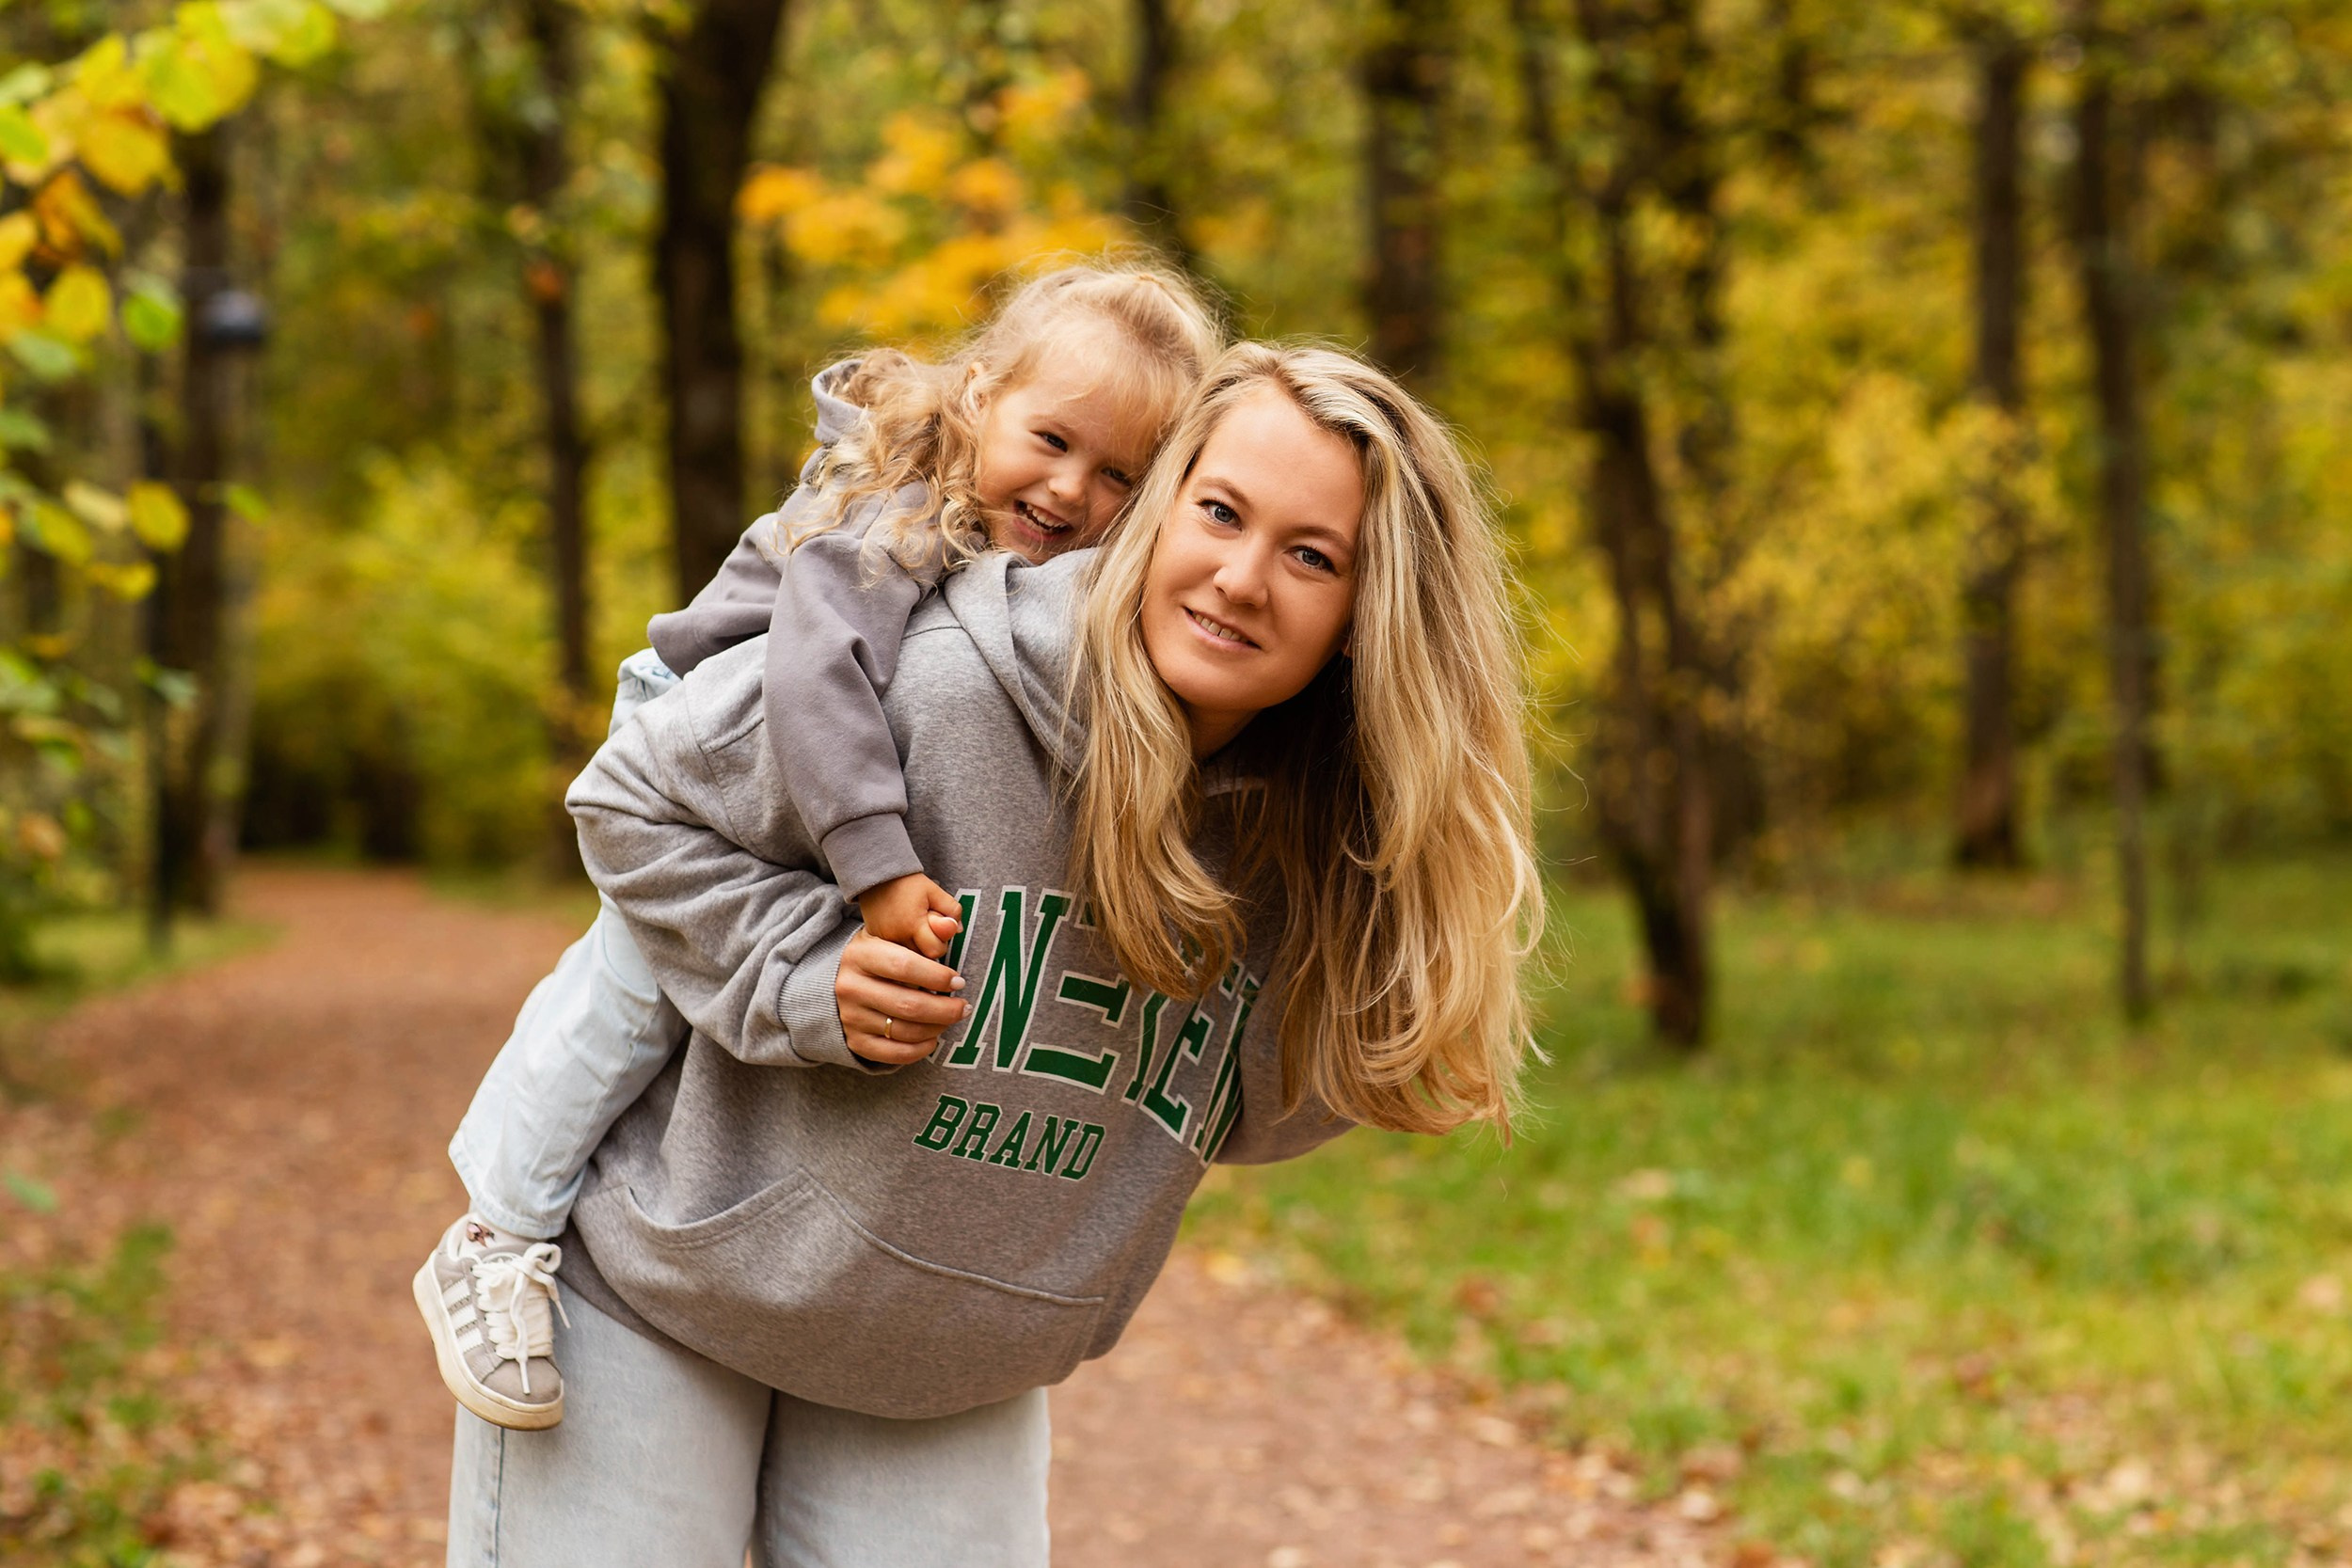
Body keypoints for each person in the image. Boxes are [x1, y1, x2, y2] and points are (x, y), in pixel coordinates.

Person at [441, 341, 1544, 1567]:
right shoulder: (941, 682)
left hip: (953, 1354)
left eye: (1311, 554)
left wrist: (1397, 945)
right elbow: (635, 793)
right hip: (668, 1290)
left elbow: (1247, 1109)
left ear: (1367, 612)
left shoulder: (1308, 849)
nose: (1241, 579)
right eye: (1221, 511)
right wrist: (808, 978)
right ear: (1164, 508)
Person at [415, 261, 1225, 1432]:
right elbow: (816, 673)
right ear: (980, 396)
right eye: (1050, 439)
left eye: (1118, 477)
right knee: (637, 984)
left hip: (823, 764)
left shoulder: (1041, 561)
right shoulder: (896, 502)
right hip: (713, 730)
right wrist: (881, 869)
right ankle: (499, 1225)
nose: (1066, 489)